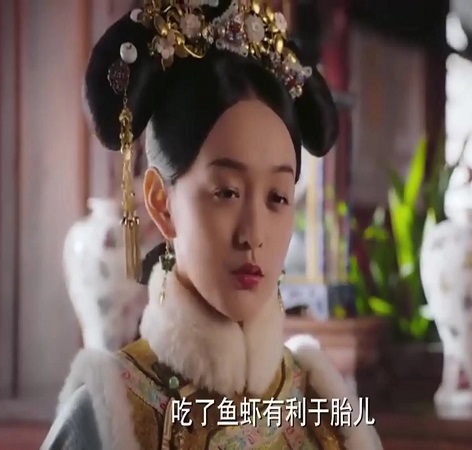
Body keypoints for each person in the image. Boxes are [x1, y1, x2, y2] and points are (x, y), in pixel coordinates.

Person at [41, 0, 383, 448]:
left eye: (278, 197)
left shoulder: (327, 414)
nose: (253, 234)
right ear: (162, 203)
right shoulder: (108, 418)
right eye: (226, 192)